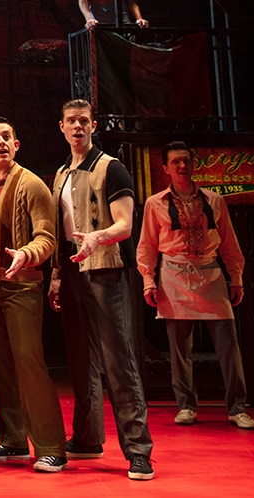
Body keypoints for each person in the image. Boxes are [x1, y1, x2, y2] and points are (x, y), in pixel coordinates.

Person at [49, 99, 155, 480]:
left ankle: (139, 450)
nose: (77, 126)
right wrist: (57, 277)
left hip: (107, 271)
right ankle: (88, 437)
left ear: (93, 126)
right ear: (61, 127)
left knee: (118, 360)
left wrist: (99, 237)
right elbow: (61, 232)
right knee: (81, 359)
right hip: (74, 272)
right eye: (71, 121)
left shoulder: (111, 168)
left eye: (84, 121)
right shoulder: (60, 173)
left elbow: (126, 224)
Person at [0, 118, 67, 472]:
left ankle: (52, 446)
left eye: (7, 136)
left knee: (28, 362)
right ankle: (12, 440)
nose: (2, 142)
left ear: (17, 144)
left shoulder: (33, 185)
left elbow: (47, 237)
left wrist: (27, 253)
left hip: (21, 284)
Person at [136, 142, 254, 430]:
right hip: (174, 275)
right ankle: (186, 405)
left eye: (186, 161)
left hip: (210, 273)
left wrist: (236, 277)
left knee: (228, 345)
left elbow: (229, 242)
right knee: (179, 349)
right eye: (175, 162)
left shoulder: (214, 201)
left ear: (193, 164)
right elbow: (147, 246)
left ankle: (238, 406)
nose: (182, 166)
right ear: (166, 168)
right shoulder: (155, 203)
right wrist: (148, 281)